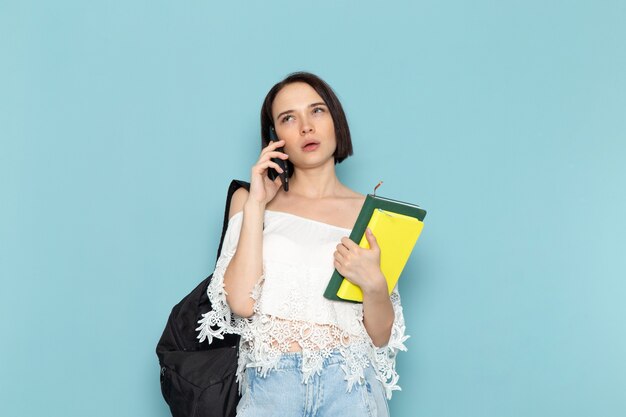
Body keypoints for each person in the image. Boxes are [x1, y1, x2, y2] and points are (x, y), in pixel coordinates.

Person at [196, 72, 408, 417]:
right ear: (274, 138)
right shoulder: (249, 200)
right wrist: (256, 205)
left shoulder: (369, 214)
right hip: (270, 386)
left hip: (351, 388)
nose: (306, 127)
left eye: (317, 111)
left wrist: (374, 284)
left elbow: (381, 335)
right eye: (288, 118)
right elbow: (240, 302)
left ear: (335, 121)